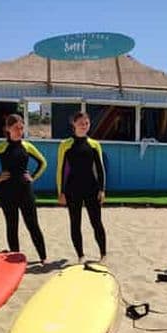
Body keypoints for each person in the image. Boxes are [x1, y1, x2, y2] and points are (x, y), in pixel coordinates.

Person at [0, 113, 47, 264]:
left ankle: (43, 257)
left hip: (25, 190)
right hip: (6, 192)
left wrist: (33, 177)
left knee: (33, 224)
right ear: (8, 129)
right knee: (12, 224)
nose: (19, 131)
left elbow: (43, 162)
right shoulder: (1, 147)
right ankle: (15, 257)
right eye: (16, 128)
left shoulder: (27, 146)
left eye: (21, 128)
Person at [56, 111, 107, 265]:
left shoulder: (94, 144)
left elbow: (100, 169)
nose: (84, 126)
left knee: (96, 222)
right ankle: (81, 255)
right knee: (75, 222)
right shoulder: (65, 145)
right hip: (72, 189)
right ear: (74, 124)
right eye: (81, 123)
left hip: (91, 188)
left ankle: (103, 254)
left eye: (86, 123)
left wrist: (102, 189)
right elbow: (60, 170)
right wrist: (61, 192)